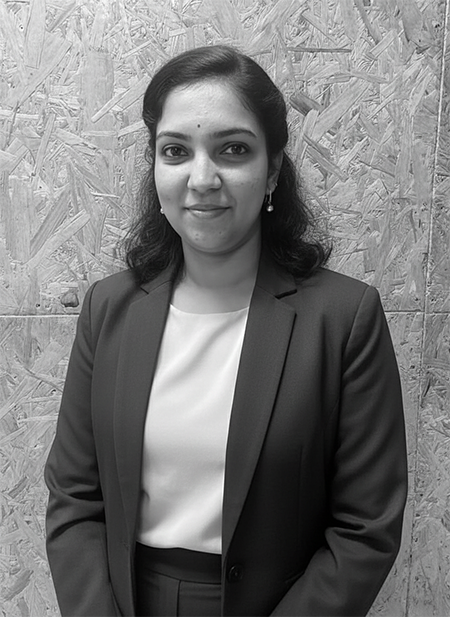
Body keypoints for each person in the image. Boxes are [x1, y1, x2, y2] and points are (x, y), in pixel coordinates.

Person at [45, 45, 408, 617]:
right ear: (155, 167)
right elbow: (74, 498)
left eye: (233, 149)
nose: (202, 178)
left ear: (273, 170)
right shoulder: (108, 308)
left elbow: (366, 528)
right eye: (175, 151)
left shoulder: (344, 318)